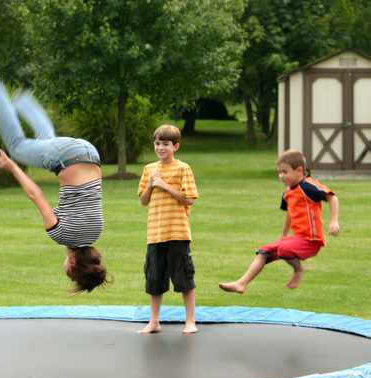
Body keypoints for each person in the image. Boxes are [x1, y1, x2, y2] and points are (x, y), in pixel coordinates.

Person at [0, 80, 108, 292]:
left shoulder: (95, 233)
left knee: (47, 141)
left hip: (89, 152)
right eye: (70, 276)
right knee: (17, 147)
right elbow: (36, 194)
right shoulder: (61, 235)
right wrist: (12, 167)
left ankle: (25, 102)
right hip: (66, 158)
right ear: (73, 265)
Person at [219, 149, 340, 294]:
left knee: (284, 249)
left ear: (299, 170)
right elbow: (290, 213)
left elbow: (332, 197)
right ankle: (241, 283)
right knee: (263, 252)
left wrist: (334, 221)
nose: (281, 176)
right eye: (279, 172)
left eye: (285, 172)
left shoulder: (309, 186)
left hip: (311, 240)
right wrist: (283, 235)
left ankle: (298, 270)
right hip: (297, 239)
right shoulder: (287, 193)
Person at [137, 125, 199, 334]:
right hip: (155, 233)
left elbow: (189, 199)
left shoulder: (183, 169)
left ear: (175, 146)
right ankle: (154, 322)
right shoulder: (148, 169)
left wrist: (164, 185)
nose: (160, 148)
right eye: (157, 143)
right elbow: (143, 201)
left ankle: (190, 321)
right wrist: (151, 185)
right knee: (154, 278)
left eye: (165, 144)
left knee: (184, 278)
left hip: (178, 232)